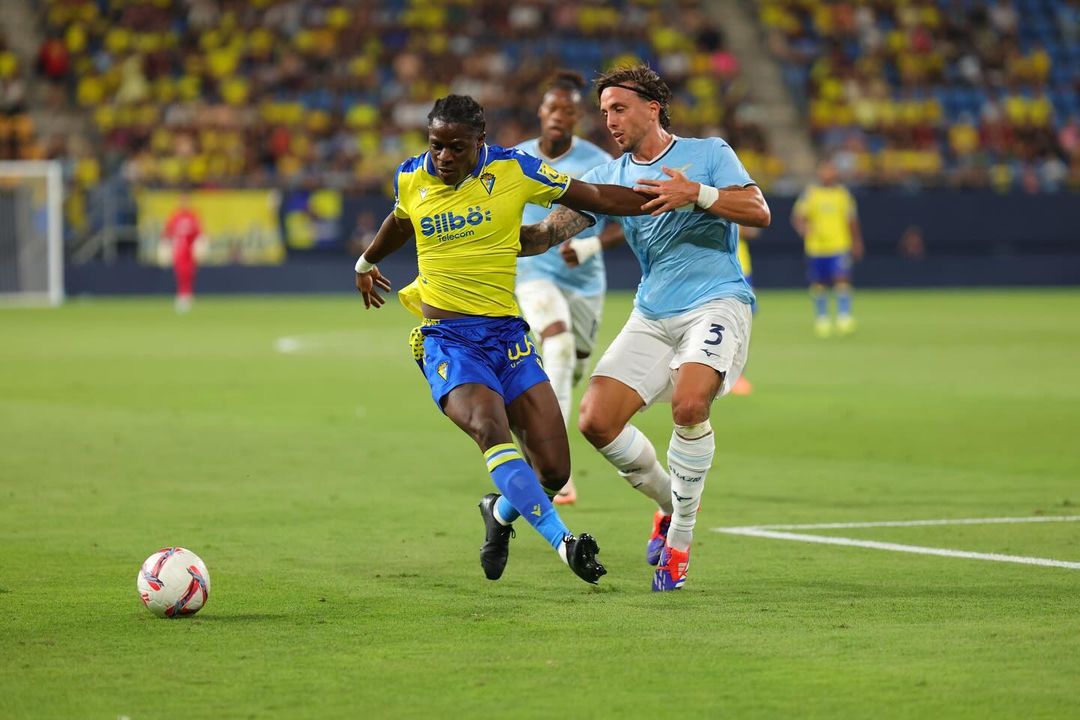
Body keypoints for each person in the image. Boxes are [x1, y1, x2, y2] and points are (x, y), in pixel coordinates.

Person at [354, 94, 664, 586]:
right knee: (488, 427)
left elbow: (595, 198)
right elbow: (400, 219)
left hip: (507, 336)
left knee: (554, 472)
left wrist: (663, 199)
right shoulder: (412, 176)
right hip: (449, 339)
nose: (445, 158)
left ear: (480, 141)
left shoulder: (514, 170)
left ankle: (498, 512)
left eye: (456, 147)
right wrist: (367, 262)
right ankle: (564, 542)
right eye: (437, 146)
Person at [520, 64, 770, 591]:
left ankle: (679, 540)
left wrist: (697, 194)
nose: (608, 119)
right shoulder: (612, 176)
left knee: (689, 403)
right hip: (653, 313)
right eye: (604, 111)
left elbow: (758, 210)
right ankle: (664, 503)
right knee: (594, 421)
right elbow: (548, 232)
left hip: (716, 301)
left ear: (652, 107)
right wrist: (483, 236)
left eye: (619, 108)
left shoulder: (708, 153)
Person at [514, 70, 626, 505]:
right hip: (534, 276)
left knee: (575, 362)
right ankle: (554, 465)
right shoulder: (517, 159)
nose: (559, 115)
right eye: (552, 107)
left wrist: (591, 246)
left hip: (585, 285)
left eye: (568, 109)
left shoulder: (597, 162)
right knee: (556, 347)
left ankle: (534, 422)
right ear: (541, 112)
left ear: (578, 116)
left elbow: (622, 222)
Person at [791, 160, 864, 337]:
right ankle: (822, 318)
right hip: (816, 247)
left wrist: (856, 241)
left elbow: (851, 221)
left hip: (839, 245)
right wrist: (803, 228)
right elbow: (798, 216)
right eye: (824, 171)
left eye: (830, 171)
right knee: (819, 283)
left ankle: (844, 317)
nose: (827, 174)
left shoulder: (842, 195)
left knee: (842, 279)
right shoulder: (811, 194)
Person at [160, 191, 206, 313]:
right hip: (179, 249)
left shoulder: (193, 216)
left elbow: (199, 233)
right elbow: (167, 233)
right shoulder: (175, 216)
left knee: (189, 272)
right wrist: (165, 247)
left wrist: (200, 247)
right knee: (180, 272)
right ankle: (182, 295)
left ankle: (188, 295)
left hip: (190, 250)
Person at [730, 225, 760, 396]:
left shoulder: (736, 201)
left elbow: (755, 228)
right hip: (715, 271)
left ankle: (738, 376)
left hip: (741, 271)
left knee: (742, 325)